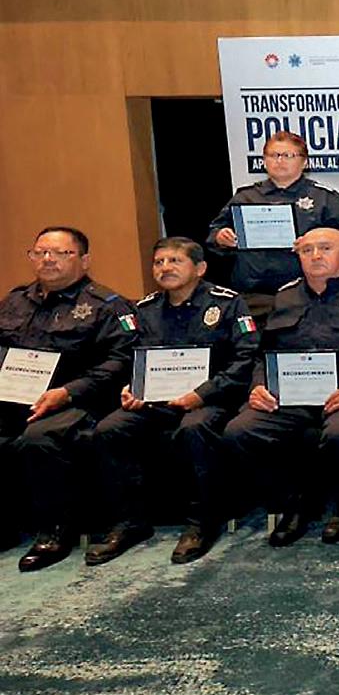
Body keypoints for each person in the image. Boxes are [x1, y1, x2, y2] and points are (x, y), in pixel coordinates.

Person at [222, 227, 339, 547]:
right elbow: (262, 355)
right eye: (307, 250)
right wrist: (258, 386)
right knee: (240, 431)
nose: (315, 256)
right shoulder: (285, 297)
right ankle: (295, 502)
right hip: (291, 395)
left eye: (325, 248)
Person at [84, 238, 258, 565]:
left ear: (200, 268)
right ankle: (129, 522)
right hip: (155, 401)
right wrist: (131, 387)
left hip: (211, 399)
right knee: (110, 429)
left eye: (175, 261)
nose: (165, 268)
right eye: (159, 262)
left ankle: (201, 522)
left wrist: (202, 394)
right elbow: (128, 357)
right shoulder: (145, 309)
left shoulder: (227, 303)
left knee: (194, 428)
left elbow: (245, 358)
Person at [0, 227, 137, 572]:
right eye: (40, 252)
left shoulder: (106, 306)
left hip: (79, 400)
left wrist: (68, 392)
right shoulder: (15, 301)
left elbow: (121, 361)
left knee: (39, 437)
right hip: (15, 396)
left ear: (84, 260)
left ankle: (55, 532)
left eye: (61, 253)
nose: (48, 260)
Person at [207, 131, 339, 317]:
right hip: (253, 294)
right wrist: (221, 237)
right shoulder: (245, 197)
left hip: (309, 296)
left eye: (288, 155)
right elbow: (215, 233)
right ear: (264, 161)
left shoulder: (325, 199)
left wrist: (314, 245)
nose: (280, 161)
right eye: (274, 155)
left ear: (304, 162)